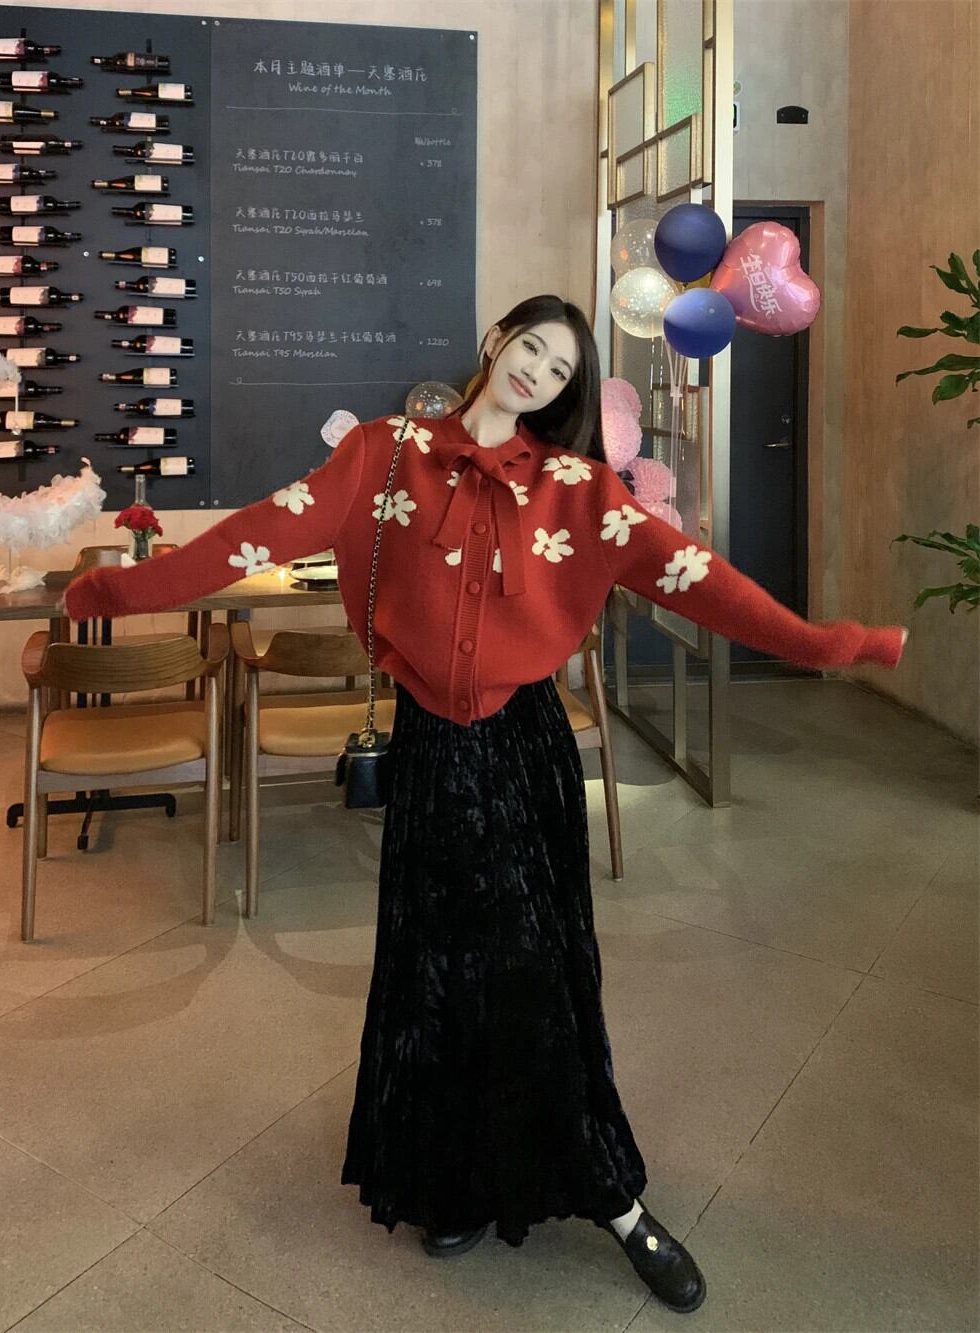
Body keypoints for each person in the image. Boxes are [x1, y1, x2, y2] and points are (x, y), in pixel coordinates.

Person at [64, 293, 908, 1315]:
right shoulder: (382, 456)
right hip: (430, 747)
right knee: (436, 966)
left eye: (559, 371)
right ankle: (455, 1178)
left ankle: (614, 1194)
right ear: (496, 339)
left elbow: (698, 579)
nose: (536, 373)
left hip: (523, 748)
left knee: (535, 967)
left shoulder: (577, 489)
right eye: (531, 348)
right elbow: (257, 535)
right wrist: (122, 591)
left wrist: (823, 645)